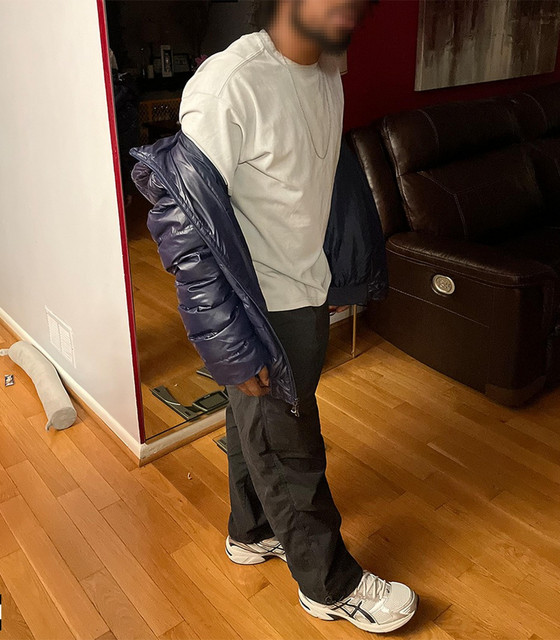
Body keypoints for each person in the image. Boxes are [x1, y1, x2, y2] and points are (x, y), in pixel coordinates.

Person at [174, 0, 419, 633]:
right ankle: (329, 585)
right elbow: (184, 226)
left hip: (306, 290)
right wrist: (231, 345)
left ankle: (251, 531)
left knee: (253, 426)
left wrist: (334, 272)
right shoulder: (228, 85)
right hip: (258, 309)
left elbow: (316, 186)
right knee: (291, 451)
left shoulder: (327, 70)